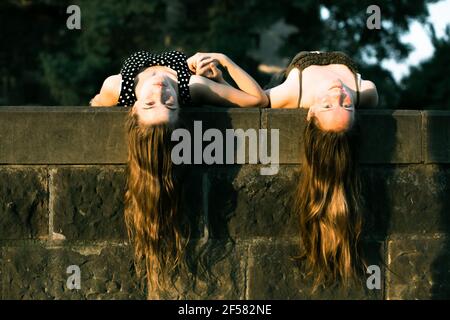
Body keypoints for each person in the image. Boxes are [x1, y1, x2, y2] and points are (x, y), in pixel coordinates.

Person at [90, 50, 268, 298]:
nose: (160, 91)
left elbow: (95, 105)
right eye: (169, 103)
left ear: (133, 110)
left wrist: (223, 74)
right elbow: (258, 100)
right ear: (180, 109)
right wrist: (224, 61)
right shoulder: (193, 87)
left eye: (151, 103)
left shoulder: (117, 87)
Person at [265, 51, 378, 289]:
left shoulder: (294, 94)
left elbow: (252, 99)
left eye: (328, 105)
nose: (338, 94)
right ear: (357, 112)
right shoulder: (366, 93)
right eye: (346, 105)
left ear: (311, 113)